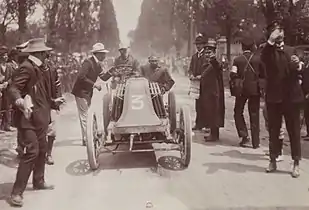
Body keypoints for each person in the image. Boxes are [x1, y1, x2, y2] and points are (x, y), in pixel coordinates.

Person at [8, 38, 64, 207]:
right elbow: (13, 88)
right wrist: (19, 101)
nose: (48, 55)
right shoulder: (27, 67)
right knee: (32, 152)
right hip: (28, 120)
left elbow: (43, 95)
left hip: (41, 118)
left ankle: (39, 181)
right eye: (45, 53)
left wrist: (54, 102)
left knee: (42, 150)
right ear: (39, 53)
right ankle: (16, 193)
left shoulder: (41, 69)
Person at [261, 19, 304, 178]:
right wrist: (271, 40)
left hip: (292, 98)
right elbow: (264, 57)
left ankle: (296, 163)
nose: (278, 34)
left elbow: (300, 66)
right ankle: (272, 160)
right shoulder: (267, 51)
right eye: (274, 31)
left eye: (280, 30)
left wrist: (298, 64)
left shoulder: (292, 50)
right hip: (274, 98)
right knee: (273, 131)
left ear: (284, 33)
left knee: (294, 132)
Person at [71, 43, 111, 146]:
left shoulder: (97, 64)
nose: (105, 56)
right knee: (85, 116)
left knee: (87, 114)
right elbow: (81, 77)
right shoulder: (88, 62)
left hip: (87, 93)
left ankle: (87, 137)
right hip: (81, 92)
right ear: (97, 54)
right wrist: (94, 85)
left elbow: (103, 77)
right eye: (103, 54)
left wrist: (112, 72)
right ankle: (86, 139)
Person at [230, 36, 264, 149]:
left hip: (242, 89)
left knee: (238, 111)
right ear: (253, 47)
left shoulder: (237, 60)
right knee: (254, 114)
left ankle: (244, 136)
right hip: (255, 90)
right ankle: (256, 142)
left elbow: (233, 74)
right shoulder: (259, 59)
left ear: (242, 47)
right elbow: (263, 75)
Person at [201, 38, 225, 141]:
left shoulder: (215, 63)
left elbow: (218, 67)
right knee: (210, 113)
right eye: (206, 53)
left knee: (214, 114)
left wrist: (213, 59)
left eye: (209, 52)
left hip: (214, 93)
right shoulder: (206, 63)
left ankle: (214, 135)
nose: (207, 55)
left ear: (214, 53)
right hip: (207, 92)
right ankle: (212, 133)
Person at [188, 35, 208, 130]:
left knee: (205, 104)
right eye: (197, 44)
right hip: (196, 83)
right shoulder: (194, 57)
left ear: (203, 45)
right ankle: (198, 123)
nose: (198, 46)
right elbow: (190, 68)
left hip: (205, 83)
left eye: (200, 44)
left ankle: (206, 124)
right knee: (198, 104)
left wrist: (202, 76)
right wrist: (191, 75)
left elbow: (208, 69)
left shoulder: (206, 56)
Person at [0, 45, 15, 131]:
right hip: (0, 89)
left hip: (7, 89)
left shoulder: (9, 66)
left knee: (8, 107)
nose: (5, 57)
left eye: (6, 55)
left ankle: (7, 125)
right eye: (3, 55)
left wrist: (7, 82)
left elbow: (13, 77)